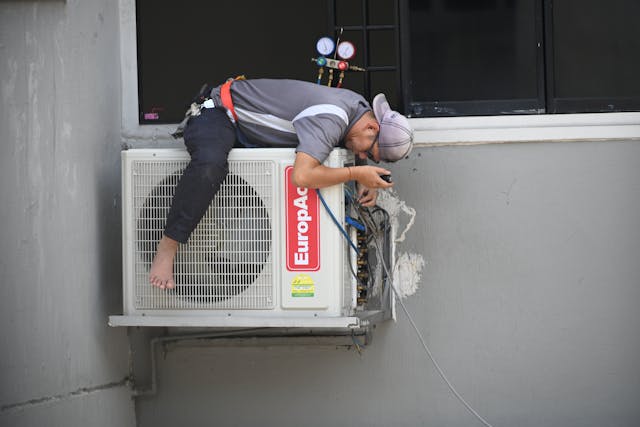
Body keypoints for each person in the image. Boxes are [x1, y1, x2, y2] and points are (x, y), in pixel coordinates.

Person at [149, 78, 414, 290]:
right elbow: (302, 176)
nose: (364, 156)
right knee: (210, 165)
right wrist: (356, 173)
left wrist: (362, 168)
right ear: (372, 128)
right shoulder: (332, 118)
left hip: (246, 132)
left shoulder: (358, 107)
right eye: (370, 151)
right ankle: (167, 247)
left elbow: (355, 140)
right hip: (218, 112)